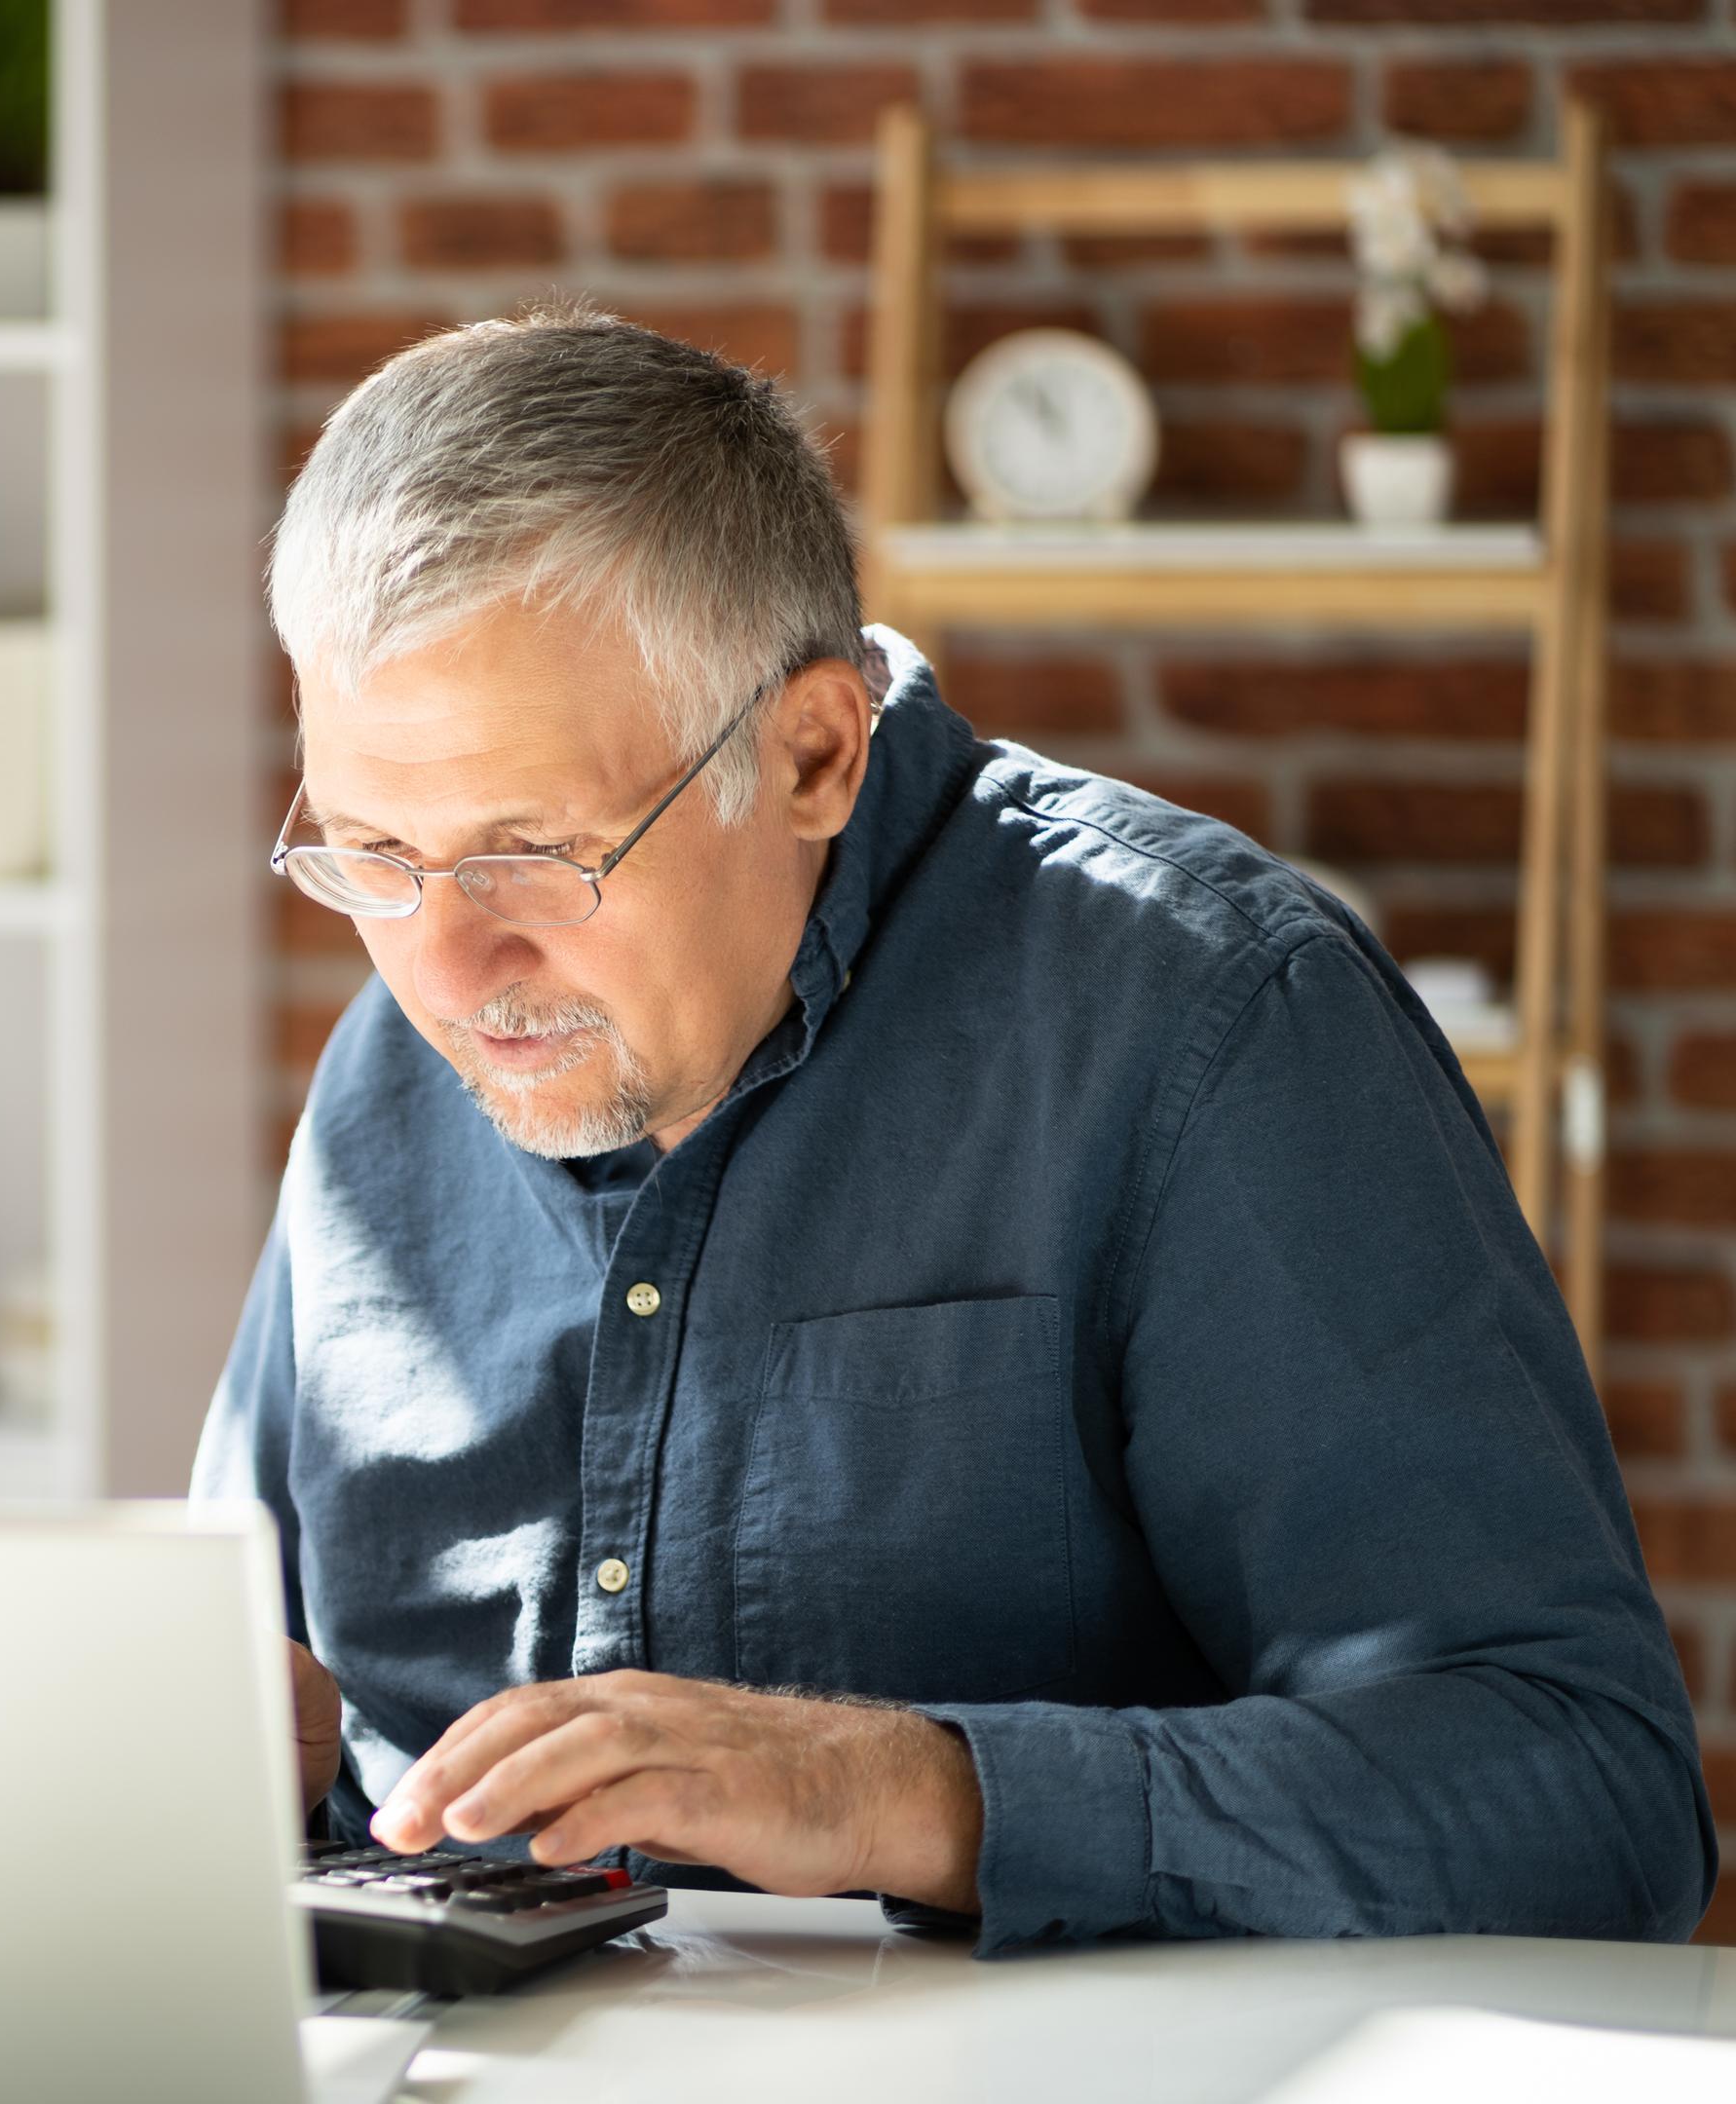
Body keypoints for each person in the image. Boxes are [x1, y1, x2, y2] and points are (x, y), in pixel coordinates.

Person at [197, 305, 1714, 1949]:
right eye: (368, 853)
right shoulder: (394, 1067)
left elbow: (1589, 1792)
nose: (443, 964)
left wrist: (904, 1792)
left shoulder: (1214, 1023)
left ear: (811, 753)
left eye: (535, 854)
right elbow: (248, 1686)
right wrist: (218, 1763)